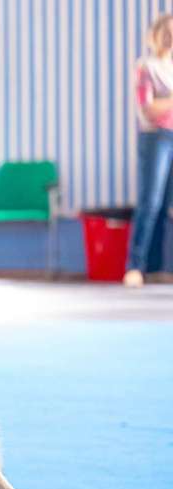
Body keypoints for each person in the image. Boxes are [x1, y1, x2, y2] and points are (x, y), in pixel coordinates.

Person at [128, 14, 173, 288]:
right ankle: (136, 265)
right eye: (166, 32)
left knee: (168, 206)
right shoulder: (147, 67)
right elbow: (148, 108)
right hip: (156, 138)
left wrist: (164, 102)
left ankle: (158, 266)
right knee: (151, 203)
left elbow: (160, 105)